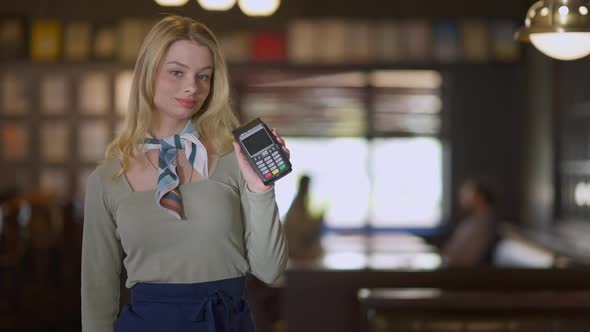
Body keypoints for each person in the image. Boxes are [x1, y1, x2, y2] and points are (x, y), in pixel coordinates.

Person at [81, 15, 288, 332]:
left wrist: (261, 189)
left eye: (203, 76)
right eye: (176, 72)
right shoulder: (107, 181)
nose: (192, 86)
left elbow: (270, 271)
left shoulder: (235, 161)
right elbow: (98, 297)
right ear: (148, 74)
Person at [441, 177, 499, 267]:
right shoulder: (474, 220)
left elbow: (467, 260)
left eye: (467, 193)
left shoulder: (485, 224)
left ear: (480, 197)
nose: (462, 196)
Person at [283, 175, 324, 260]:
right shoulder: (297, 204)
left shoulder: (301, 202)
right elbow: (301, 228)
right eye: (307, 185)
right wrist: (317, 221)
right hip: (297, 252)